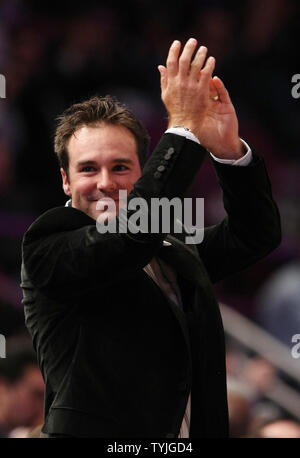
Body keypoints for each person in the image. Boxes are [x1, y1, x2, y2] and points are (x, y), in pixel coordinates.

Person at [20, 38, 281, 438]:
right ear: (65, 180)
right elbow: (127, 239)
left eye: (121, 167)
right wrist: (182, 130)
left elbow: (253, 236)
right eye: (89, 169)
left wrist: (229, 152)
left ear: (144, 173)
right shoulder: (47, 246)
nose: (105, 183)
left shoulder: (169, 246)